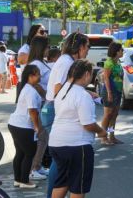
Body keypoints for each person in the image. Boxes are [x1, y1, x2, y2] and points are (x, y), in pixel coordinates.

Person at [49, 59, 107, 198]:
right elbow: (87, 124)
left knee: (62, 182)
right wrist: (101, 131)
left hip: (56, 143)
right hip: (76, 146)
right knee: (78, 187)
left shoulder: (63, 90)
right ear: (87, 74)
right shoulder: (81, 95)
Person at [43, 32, 91, 198]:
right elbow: (59, 90)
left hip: (52, 109)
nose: (88, 51)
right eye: (87, 47)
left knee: (61, 161)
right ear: (79, 47)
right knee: (61, 161)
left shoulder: (67, 60)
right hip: (53, 110)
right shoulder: (66, 62)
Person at [8, 65, 42, 189]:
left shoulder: (27, 88)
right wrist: (37, 127)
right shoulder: (30, 91)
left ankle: (18, 179)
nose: (40, 76)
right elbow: (32, 111)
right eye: (38, 74)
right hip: (23, 126)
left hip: (15, 124)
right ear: (31, 76)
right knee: (30, 152)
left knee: (21, 153)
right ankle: (24, 181)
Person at [27, 36, 51, 180]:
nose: (49, 49)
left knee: (42, 137)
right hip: (39, 103)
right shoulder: (36, 63)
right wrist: (45, 94)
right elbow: (34, 84)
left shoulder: (42, 62)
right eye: (47, 47)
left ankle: (38, 166)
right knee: (41, 136)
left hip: (43, 102)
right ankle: (33, 168)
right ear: (41, 48)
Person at [100, 42, 124, 145]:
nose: (122, 52)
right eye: (121, 50)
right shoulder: (109, 62)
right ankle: (103, 137)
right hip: (110, 91)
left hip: (117, 92)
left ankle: (112, 136)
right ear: (117, 51)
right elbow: (106, 78)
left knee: (114, 115)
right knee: (108, 115)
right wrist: (109, 93)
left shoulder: (118, 62)